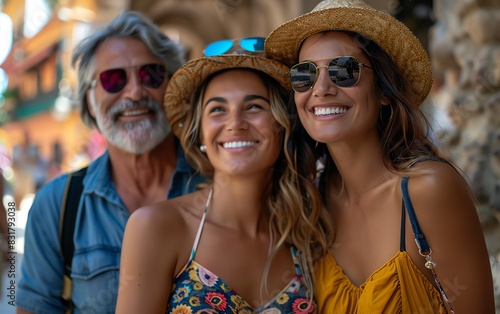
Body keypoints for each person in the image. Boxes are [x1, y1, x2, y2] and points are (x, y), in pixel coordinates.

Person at [265, 0, 495, 313]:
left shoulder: (428, 189)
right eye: (304, 74)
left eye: (344, 70)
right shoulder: (308, 204)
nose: (321, 88)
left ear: (385, 90)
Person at [115, 38, 332, 313]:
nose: (235, 124)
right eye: (218, 109)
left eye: (254, 106)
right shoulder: (156, 228)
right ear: (201, 133)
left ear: (282, 124)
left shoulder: (308, 232)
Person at [17, 11, 205, 314]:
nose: (134, 91)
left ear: (173, 87)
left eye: (151, 75)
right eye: (113, 79)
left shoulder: (216, 187)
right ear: (89, 100)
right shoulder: (56, 206)